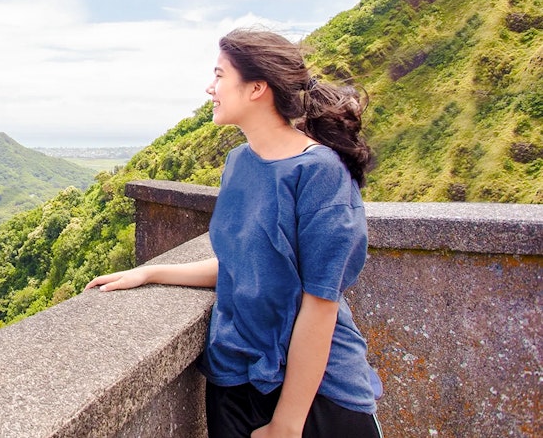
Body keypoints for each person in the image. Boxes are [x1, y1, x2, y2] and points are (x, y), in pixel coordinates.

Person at [86, 28, 382, 438]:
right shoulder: (239, 162)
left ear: (257, 87)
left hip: (313, 393)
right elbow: (243, 265)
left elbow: (320, 302)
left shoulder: (320, 173)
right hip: (234, 382)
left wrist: (287, 423)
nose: (211, 87)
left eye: (220, 75)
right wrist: (150, 273)